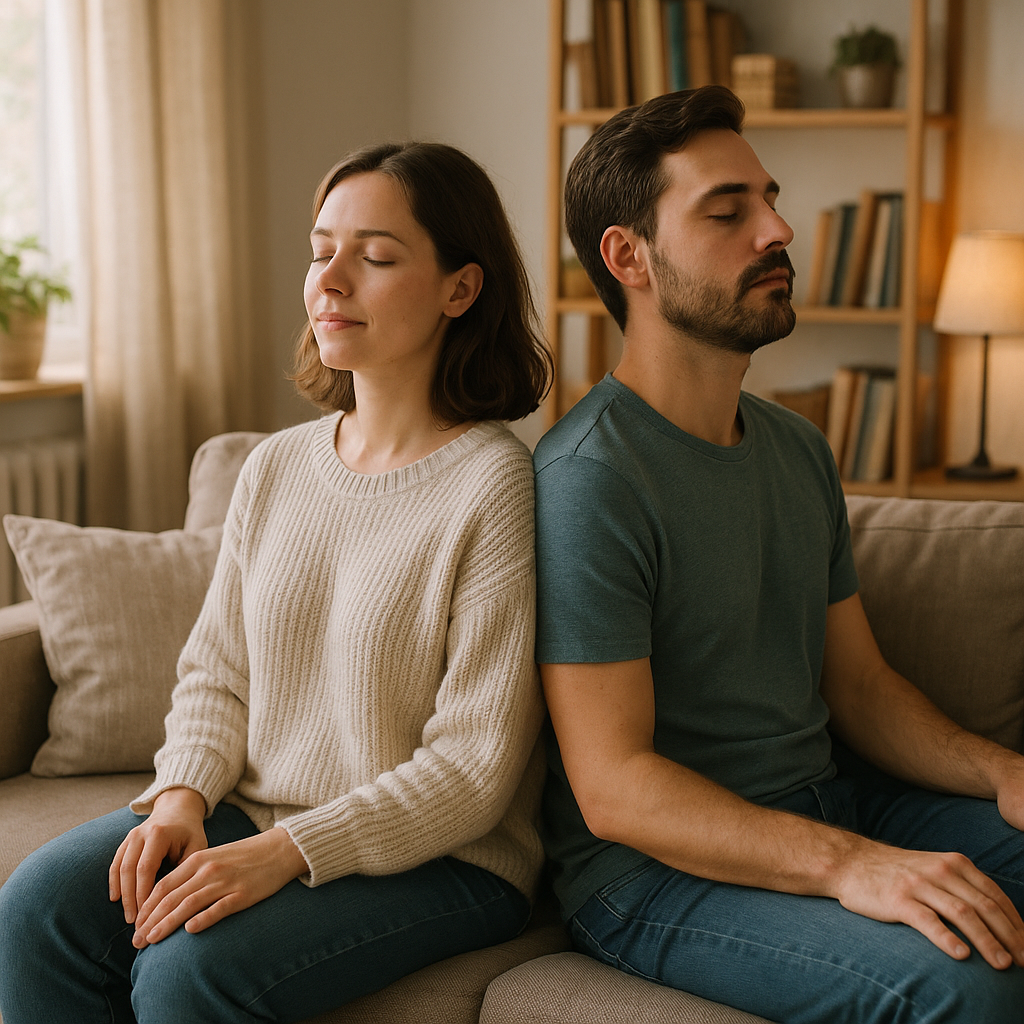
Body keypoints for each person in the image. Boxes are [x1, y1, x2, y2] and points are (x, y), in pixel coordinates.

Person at [0, 141, 553, 1023]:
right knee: (35, 910)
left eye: (374, 257)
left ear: (462, 288)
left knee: (190, 973)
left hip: (449, 860)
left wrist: (287, 851)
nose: (329, 280)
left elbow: (472, 771)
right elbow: (217, 671)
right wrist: (181, 798)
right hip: (251, 810)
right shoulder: (276, 467)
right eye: (319, 248)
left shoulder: (497, 486)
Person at [533, 86, 1024, 1024]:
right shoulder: (590, 479)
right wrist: (851, 868)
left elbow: (862, 688)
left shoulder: (796, 447)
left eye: (769, 200)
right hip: (652, 876)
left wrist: (1000, 770)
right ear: (628, 256)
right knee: (965, 986)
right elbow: (616, 789)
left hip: (830, 804)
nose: (779, 229)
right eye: (730, 211)